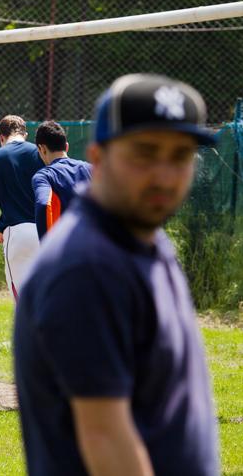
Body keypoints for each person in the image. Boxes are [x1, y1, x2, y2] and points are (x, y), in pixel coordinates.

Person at [14, 74, 219, 476]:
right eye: (144, 153)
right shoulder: (86, 268)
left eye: (180, 155)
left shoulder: (145, 240)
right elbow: (106, 438)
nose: (164, 174)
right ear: (98, 157)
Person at [0, 115, 44, 301]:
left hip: (16, 233)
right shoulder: (43, 153)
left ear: (0, 137)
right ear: (25, 134)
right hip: (48, 229)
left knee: (23, 305)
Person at [31, 121, 92, 239]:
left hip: (67, 245)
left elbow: (43, 204)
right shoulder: (91, 169)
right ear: (66, 146)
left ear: (42, 149)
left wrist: (46, 244)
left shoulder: (44, 176)